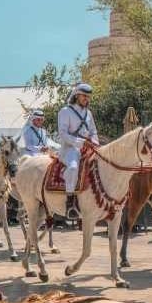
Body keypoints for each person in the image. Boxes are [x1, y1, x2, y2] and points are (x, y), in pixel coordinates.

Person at [57, 83, 98, 218]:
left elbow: (93, 131)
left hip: (88, 147)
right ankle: (70, 202)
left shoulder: (88, 113)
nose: (87, 99)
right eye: (84, 96)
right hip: (70, 149)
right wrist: (81, 142)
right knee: (74, 167)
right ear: (76, 95)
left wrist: (95, 144)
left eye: (88, 97)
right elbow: (63, 134)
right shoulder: (65, 111)